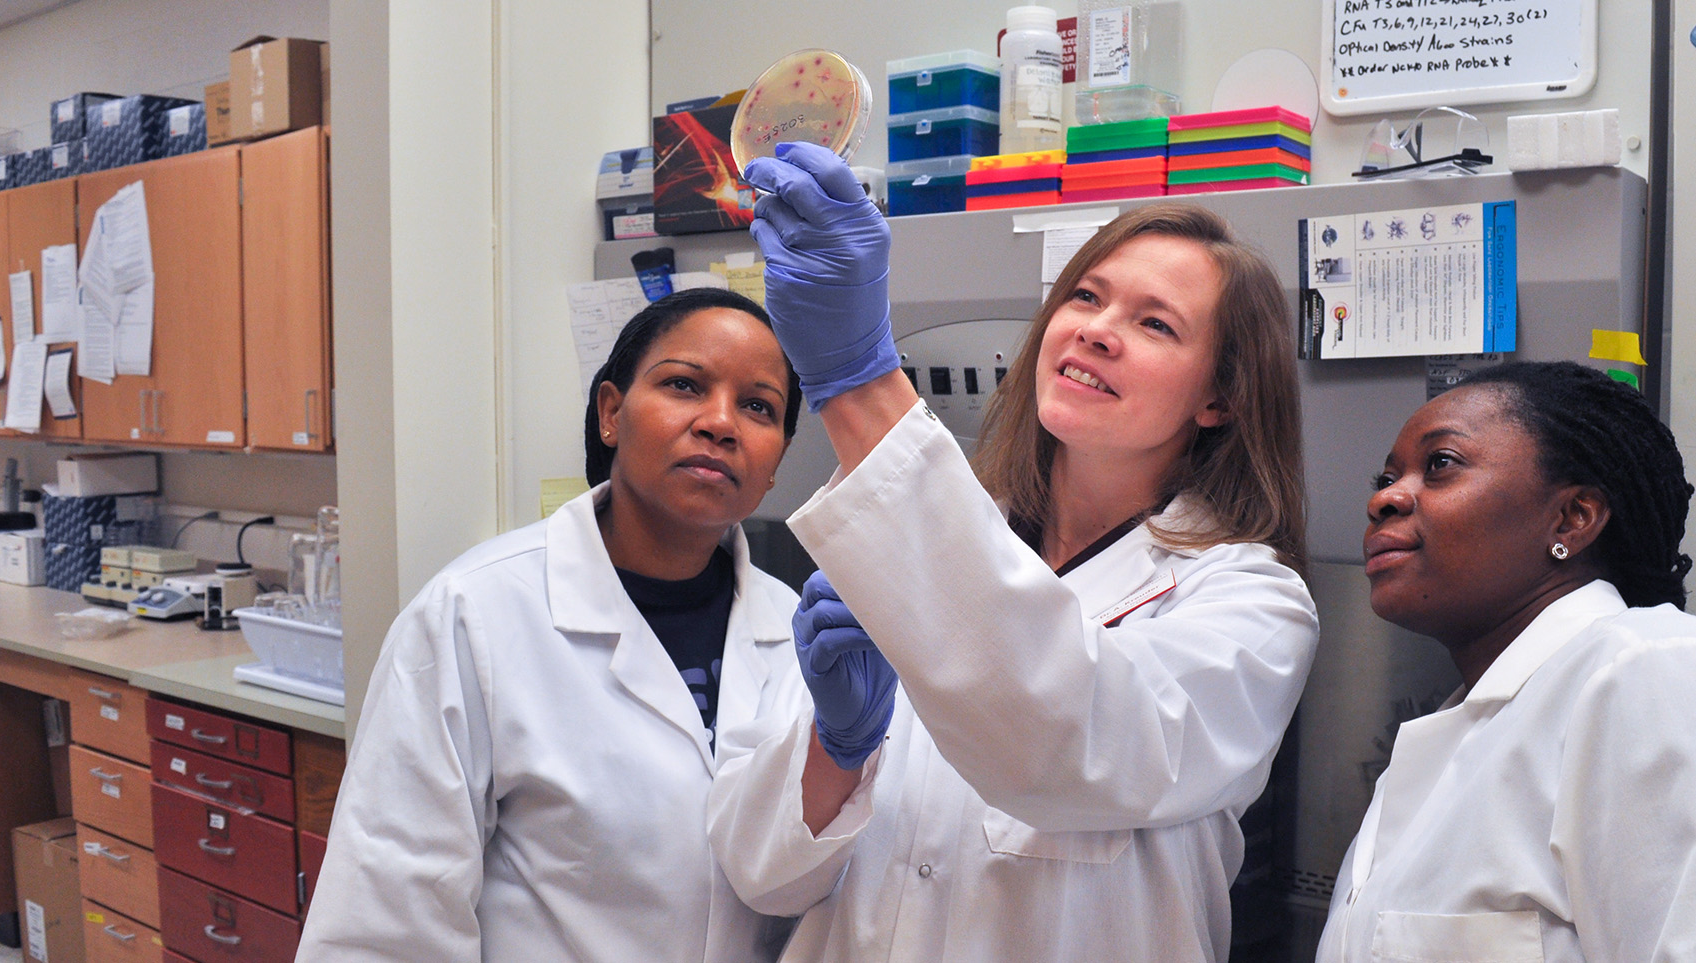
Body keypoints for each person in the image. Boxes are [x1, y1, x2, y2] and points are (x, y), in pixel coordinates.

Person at [707, 143, 1320, 960]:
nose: (1098, 331)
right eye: (1086, 296)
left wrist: (858, 379)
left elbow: (1066, 738)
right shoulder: (903, 543)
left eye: (1153, 323)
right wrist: (837, 744)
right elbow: (758, 877)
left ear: (1221, 395)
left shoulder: (1249, 604)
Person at [296, 288, 806, 963]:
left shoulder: (800, 633)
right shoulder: (473, 615)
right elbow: (385, 919)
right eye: (684, 384)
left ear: (773, 465)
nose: (720, 422)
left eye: (757, 406)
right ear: (610, 414)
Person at [1316, 360, 1696, 962]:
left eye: (1440, 464)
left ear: (1572, 518)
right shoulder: (1452, 742)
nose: (1385, 498)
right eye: (1385, 476)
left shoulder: (1642, 671)